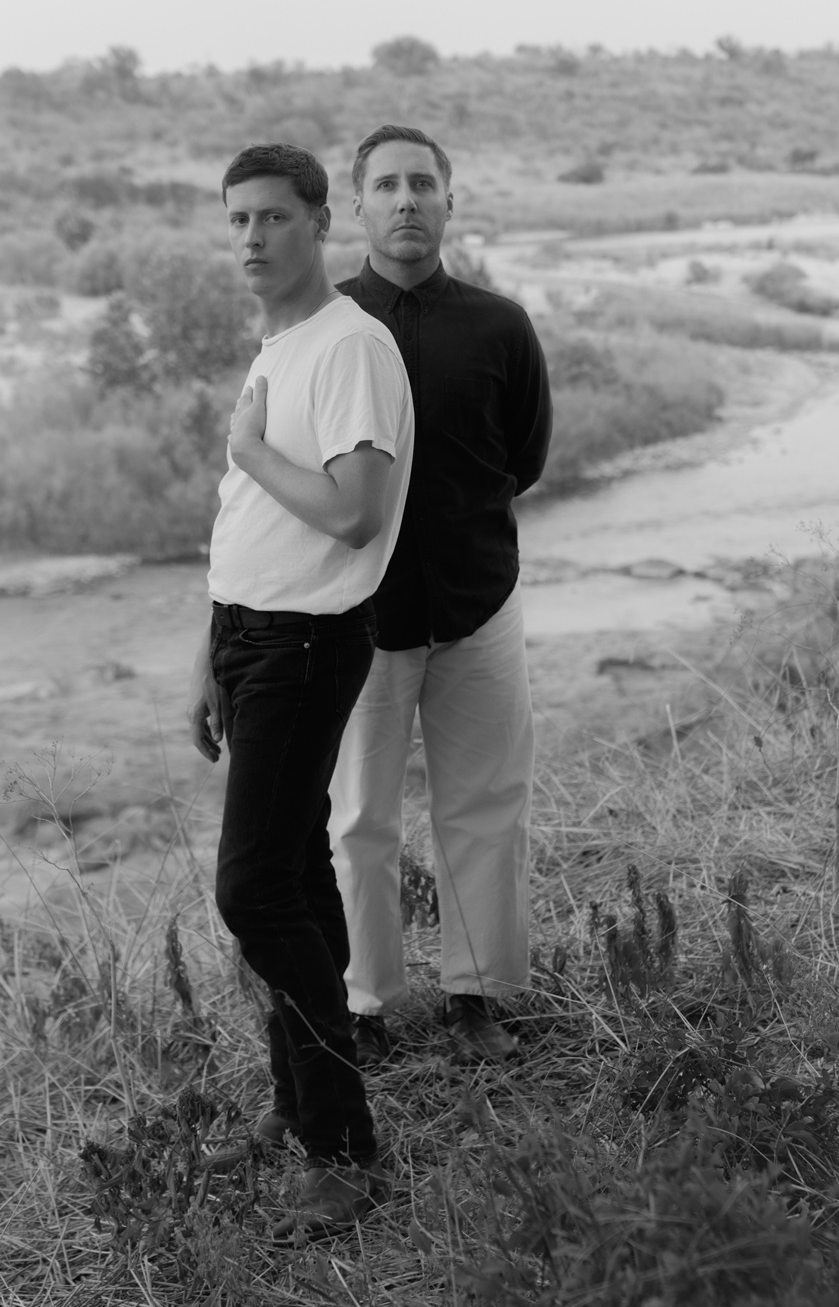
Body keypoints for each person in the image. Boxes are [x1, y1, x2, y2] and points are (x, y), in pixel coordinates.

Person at [187, 143, 414, 1238]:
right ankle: (298, 1102)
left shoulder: (350, 346)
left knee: (252, 891)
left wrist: (245, 447)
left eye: (273, 216)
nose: (251, 237)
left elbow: (355, 511)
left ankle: (344, 1146)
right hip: (250, 638)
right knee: (295, 878)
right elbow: (249, 517)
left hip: (306, 645)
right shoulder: (282, 341)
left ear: (321, 223)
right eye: (237, 219)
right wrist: (209, 651)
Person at [329, 124, 552, 1066]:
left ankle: (478, 997)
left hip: (478, 605)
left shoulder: (501, 326)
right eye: (387, 185)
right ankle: (363, 1005)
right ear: (358, 206)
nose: (407, 200)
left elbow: (525, 459)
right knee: (358, 819)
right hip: (357, 618)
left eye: (423, 183)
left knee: (486, 805)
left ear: (449, 201)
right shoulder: (323, 326)